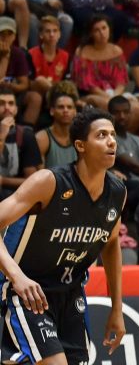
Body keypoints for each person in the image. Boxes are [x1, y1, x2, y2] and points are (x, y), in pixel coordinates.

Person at [0, 107, 126, 363]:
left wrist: (117, 308)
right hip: (28, 291)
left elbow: (111, 243)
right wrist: (17, 276)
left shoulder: (116, 192)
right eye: (101, 135)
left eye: (113, 134)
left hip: (70, 294)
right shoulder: (48, 182)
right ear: (80, 145)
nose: (111, 141)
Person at [72, 15, 139, 151]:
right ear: (91, 33)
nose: (102, 33)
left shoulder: (117, 51)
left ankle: (124, 144)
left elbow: (121, 81)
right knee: (107, 104)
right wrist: (109, 98)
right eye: (97, 30)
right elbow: (88, 84)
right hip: (93, 94)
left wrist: (115, 96)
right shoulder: (82, 51)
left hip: (116, 93)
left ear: (109, 30)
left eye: (104, 28)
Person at [0, 86, 42, 200]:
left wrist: (3, 180)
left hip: (16, 197)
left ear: (16, 109)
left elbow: (31, 179)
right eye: (1, 103)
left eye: (11, 103)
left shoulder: (25, 135)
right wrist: (2, 136)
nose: (7, 107)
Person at [0, 16, 42, 126]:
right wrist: (4, 57)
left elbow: (24, 84)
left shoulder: (18, 53)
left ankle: (26, 130)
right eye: (1, 34)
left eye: (9, 34)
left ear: (14, 37)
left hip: (13, 92)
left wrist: (11, 86)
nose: (5, 38)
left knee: (35, 98)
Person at [28, 16, 71, 100]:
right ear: (41, 35)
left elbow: (66, 82)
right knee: (40, 80)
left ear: (59, 34)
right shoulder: (31, 54)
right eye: (48, 31)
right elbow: (30, 83)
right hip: (38, 94)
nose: (52, 34)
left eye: (55, 31)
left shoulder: (66, 56)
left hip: (59, 97)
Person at [35, 89, 78, 167]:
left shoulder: (81, 137)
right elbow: (40, 172)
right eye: (61, 107)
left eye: (69, 107)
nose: (65, 110)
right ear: (52, 111)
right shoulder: (41, 139)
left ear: (75, 112)